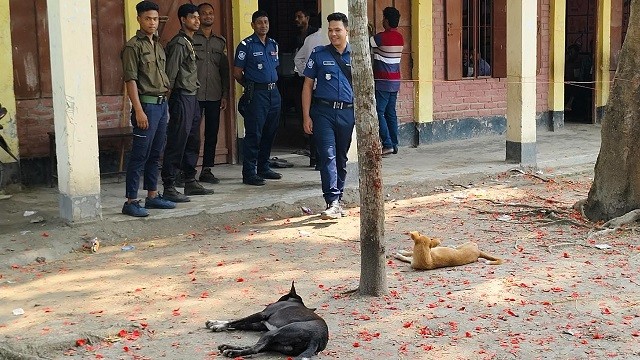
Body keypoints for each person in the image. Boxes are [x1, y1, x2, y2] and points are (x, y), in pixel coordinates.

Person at [120, 0, 175, 217]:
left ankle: (152, 196)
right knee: (139, 155)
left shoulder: (157, 45)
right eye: (148, 19)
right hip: (146, 107)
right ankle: (131, 200)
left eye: (155, 19)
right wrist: (139, 110)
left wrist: (166, 107)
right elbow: (130, 80)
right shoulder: (133, 46)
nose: (152, 23)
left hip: (161, 107)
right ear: (139, 19)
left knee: (155, 154)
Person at [302, 12, 354, 220]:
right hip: (322, 112)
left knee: (341, 157)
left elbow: (367, 88)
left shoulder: (357, 55)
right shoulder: (319, 54)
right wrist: (306, 116)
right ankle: (332, 200)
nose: (333, 34)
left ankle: (338, 199)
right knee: (327, 155)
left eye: (337, 30)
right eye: (330, 30)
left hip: (347, 112)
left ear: (347, 30)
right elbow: (307, 86)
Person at [162, 3, 214, 202]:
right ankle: (169, 184)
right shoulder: (179, 43)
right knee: (177, 140)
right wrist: (168, 103)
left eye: (197, 17)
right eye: (193, 17)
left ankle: (190, 180)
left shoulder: (190, 42)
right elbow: (170, 76)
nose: (197, 20)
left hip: (193, 96)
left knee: (193, 139)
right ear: (183, 20)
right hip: (181, 96)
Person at [233, 10, 282, 186]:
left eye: (266, 22)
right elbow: (237, 72)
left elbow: (275, 68)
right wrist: (250, 86)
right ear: (253, 25)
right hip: (257, 93)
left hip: (273, 93)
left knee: (270, 130)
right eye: (259, 22)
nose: (263, 25)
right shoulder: (246, 45)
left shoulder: (273, 44)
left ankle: (264, 167)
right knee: (254, 132)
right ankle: (249, 172)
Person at [193, 2, 229, 185]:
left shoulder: (220, 41)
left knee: (212, 133)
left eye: (210, 13)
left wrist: (224, 94)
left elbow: (224, 70)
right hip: (195, 95)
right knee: (191, 133)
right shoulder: (191, 39)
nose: (208, 16)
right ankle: (187, 170)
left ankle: (207, 169)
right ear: (198, 17)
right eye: (204, 14)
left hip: (214, 94)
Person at [293, 11, 325, 169]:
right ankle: (322, 159)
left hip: (312, 87)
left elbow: (297, 59)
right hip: (327, 90)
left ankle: (314, 157)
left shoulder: (310, 39)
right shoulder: (335, 39)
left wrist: (305, 74)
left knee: (314, 121)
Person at [370, 6, 404, 155]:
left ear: (387, 21)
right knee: (391, 113)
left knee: (379, 112)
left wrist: (370, 31)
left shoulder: (380, 37)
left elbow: (368, 44)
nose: (382, 21)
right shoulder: (400, 37)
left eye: (383, 18)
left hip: (382, 81)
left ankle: (387, 143)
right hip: (395, 81)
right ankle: (394, 144)